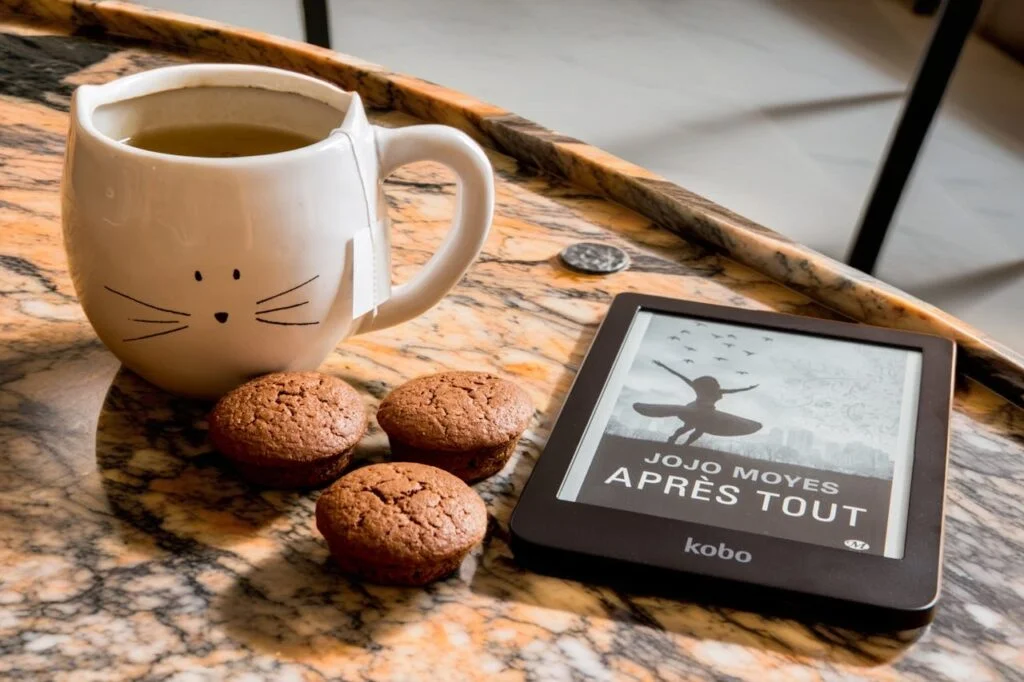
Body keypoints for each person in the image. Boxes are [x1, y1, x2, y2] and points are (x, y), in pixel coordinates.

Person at [633, 360, 762, 447]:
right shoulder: (699, 388)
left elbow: (735, 391)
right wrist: (663, 366)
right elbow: (680, 376)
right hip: (696, 410)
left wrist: (749, 388)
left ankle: (683, 444)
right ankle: (673, 438)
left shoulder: (717, 391)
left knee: (699, 429)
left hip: (708, 413)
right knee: (689, 427)